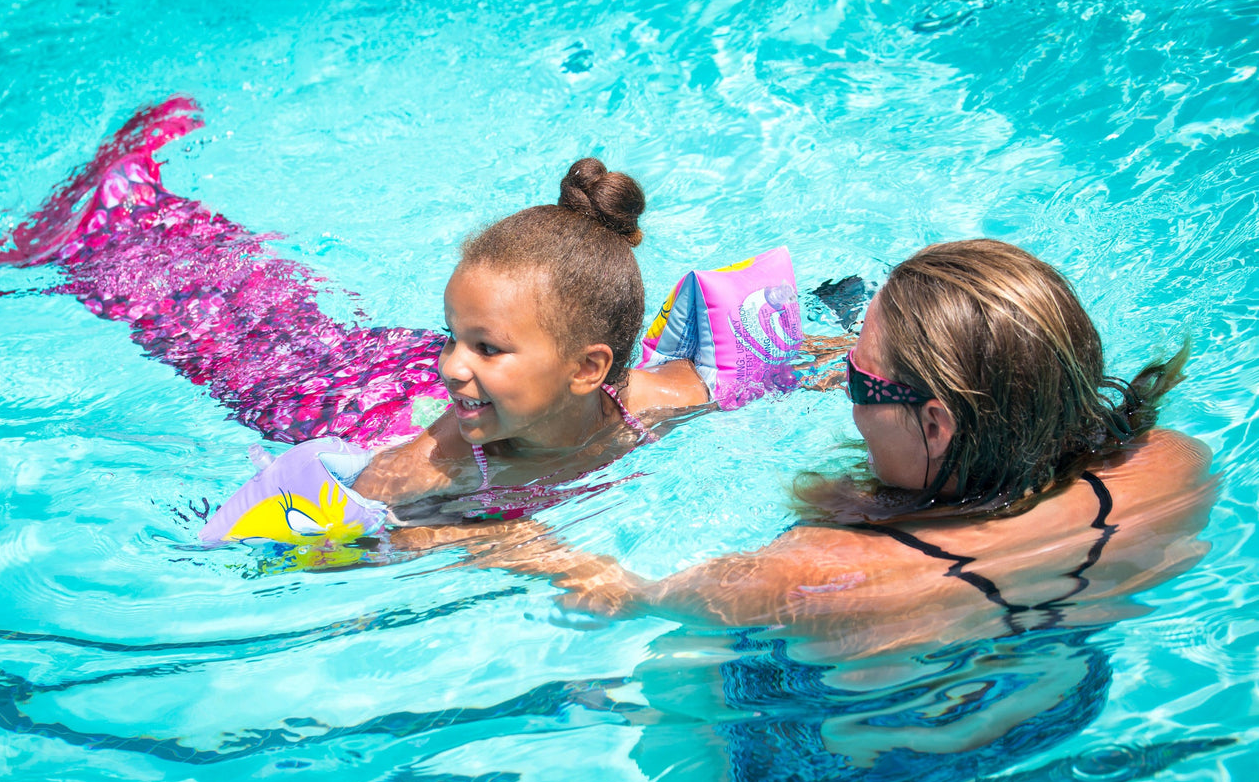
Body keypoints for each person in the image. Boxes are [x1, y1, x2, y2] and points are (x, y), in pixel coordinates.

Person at [0, 97, 814, 543]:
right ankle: (86, 232)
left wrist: (827, 360)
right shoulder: (433, 458)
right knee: (220, 326)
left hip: (386, 375)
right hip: (345, 396)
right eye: (456, 334)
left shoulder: (660, 396)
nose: (456, 365)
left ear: (586, 366)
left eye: (484, 345)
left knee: (265, 307)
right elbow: (358, 528)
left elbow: (754, 365)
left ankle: (129, 208)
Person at [465, 238, 1215, 642]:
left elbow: (621, 593)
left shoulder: (812, 575)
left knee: (677, 677)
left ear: (934, 423)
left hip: (869, 760)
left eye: (858, 379)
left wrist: (495, 535)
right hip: (1057, 704)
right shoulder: (1173, 471)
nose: (847, 393)